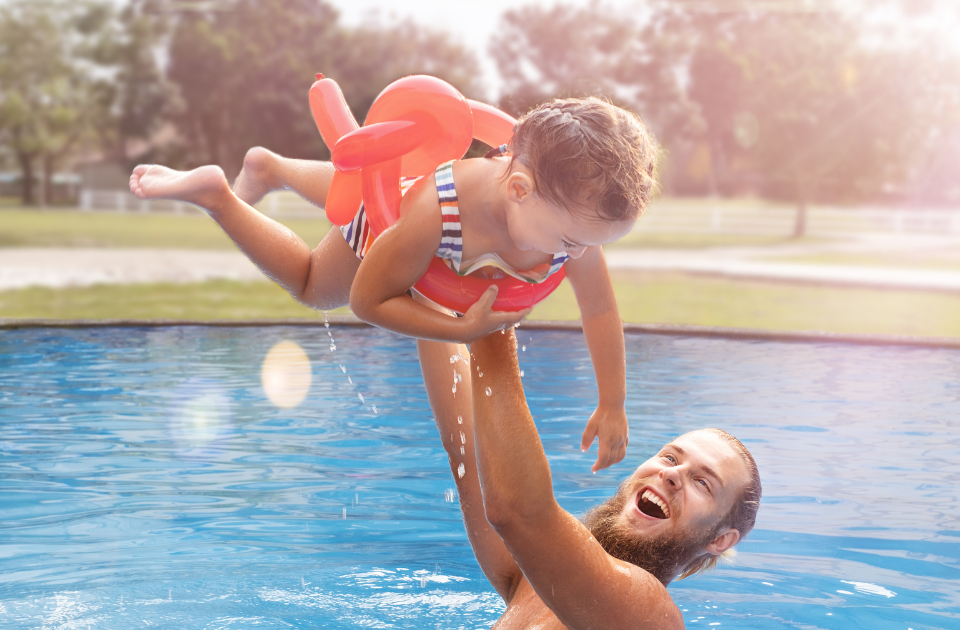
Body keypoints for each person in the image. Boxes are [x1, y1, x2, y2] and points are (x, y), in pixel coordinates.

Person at [129, 96, 658, 471]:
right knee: (315, 283)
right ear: (518, 189)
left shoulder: (574, 228)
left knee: (349, 187)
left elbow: (600, 311)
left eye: (590, 245)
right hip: (395, 221)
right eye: (569, 243)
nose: (579, 256)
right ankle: (219, 195)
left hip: (419, 216)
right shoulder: (438, 212)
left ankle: (270, 165)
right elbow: (369, 300)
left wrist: (613, 401)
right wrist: (457, 329)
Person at [417, 328, 761, 629]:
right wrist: (423, 295)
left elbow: (517, 511)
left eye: (703, 483)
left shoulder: (650, 615)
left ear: (721, 539)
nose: (671, 474)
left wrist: (496, 314)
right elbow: (467, 448)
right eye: (670, 457)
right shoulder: (537, 577)